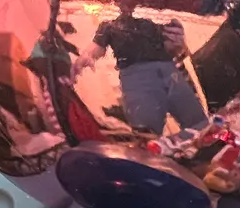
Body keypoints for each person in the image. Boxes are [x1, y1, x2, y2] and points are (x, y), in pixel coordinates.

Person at [79, 0, 207, 134]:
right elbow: (96, 47)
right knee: (147, 132)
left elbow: (177, 50)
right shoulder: (109, 25)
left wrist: (179, 44)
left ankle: (179, 143)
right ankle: (160, 144)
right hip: (138, 78)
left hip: (169, 72)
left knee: (200, 125)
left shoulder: (156, 19)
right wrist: (87, 56)